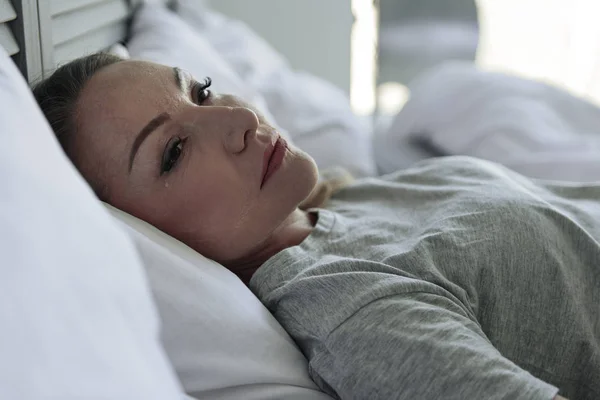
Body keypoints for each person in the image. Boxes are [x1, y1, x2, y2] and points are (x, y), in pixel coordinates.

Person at [33, 53, 598, 400]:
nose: (239, 119)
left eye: (200, 91)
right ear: (146, 236)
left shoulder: (331, 206)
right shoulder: (358, 316)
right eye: (174, 151)